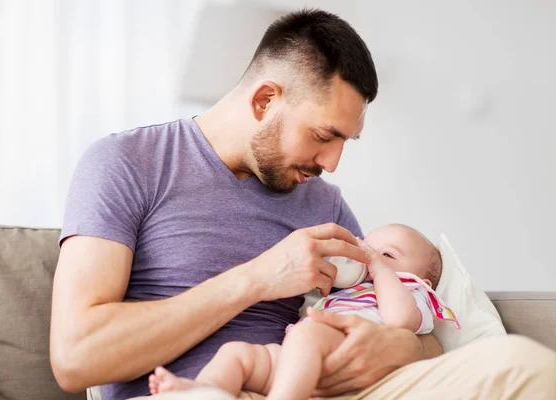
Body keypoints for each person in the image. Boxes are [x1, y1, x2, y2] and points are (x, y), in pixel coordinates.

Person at [50, 8, 556, 400]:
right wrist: (257, 278)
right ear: (265, 100)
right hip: (198, 389)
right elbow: (75, 357)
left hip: (322, 386)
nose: (332, 164)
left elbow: (409, 327)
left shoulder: (326, 206)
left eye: (345, 144)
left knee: (526, 367)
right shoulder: (127, 163)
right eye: (323, 136)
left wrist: (396, 346)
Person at [146, 224, 460, 400]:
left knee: (311, 332)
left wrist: (380, 269)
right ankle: (201, 392)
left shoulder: (411, 290)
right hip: (298, 362)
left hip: (341, 363)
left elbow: (400, 322)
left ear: (424, 280)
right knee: (237, 354)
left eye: (388, 254)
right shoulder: (351, 289)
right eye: (368, 245)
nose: (370, 255)